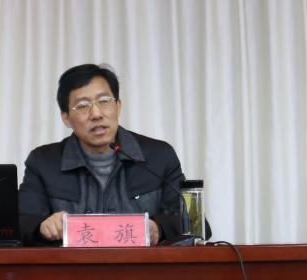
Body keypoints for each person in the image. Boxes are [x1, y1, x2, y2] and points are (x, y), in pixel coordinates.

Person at [18, 63, 185, 245]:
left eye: (104, 101)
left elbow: (194, 222)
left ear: (118, 106)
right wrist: (41, 228)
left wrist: (159, 229)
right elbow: (21, 223)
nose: (96, 114)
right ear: (66, 118)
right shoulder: (43, 162)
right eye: (82, 105)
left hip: (142, 264)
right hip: (71, 264)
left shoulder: (159, 157)